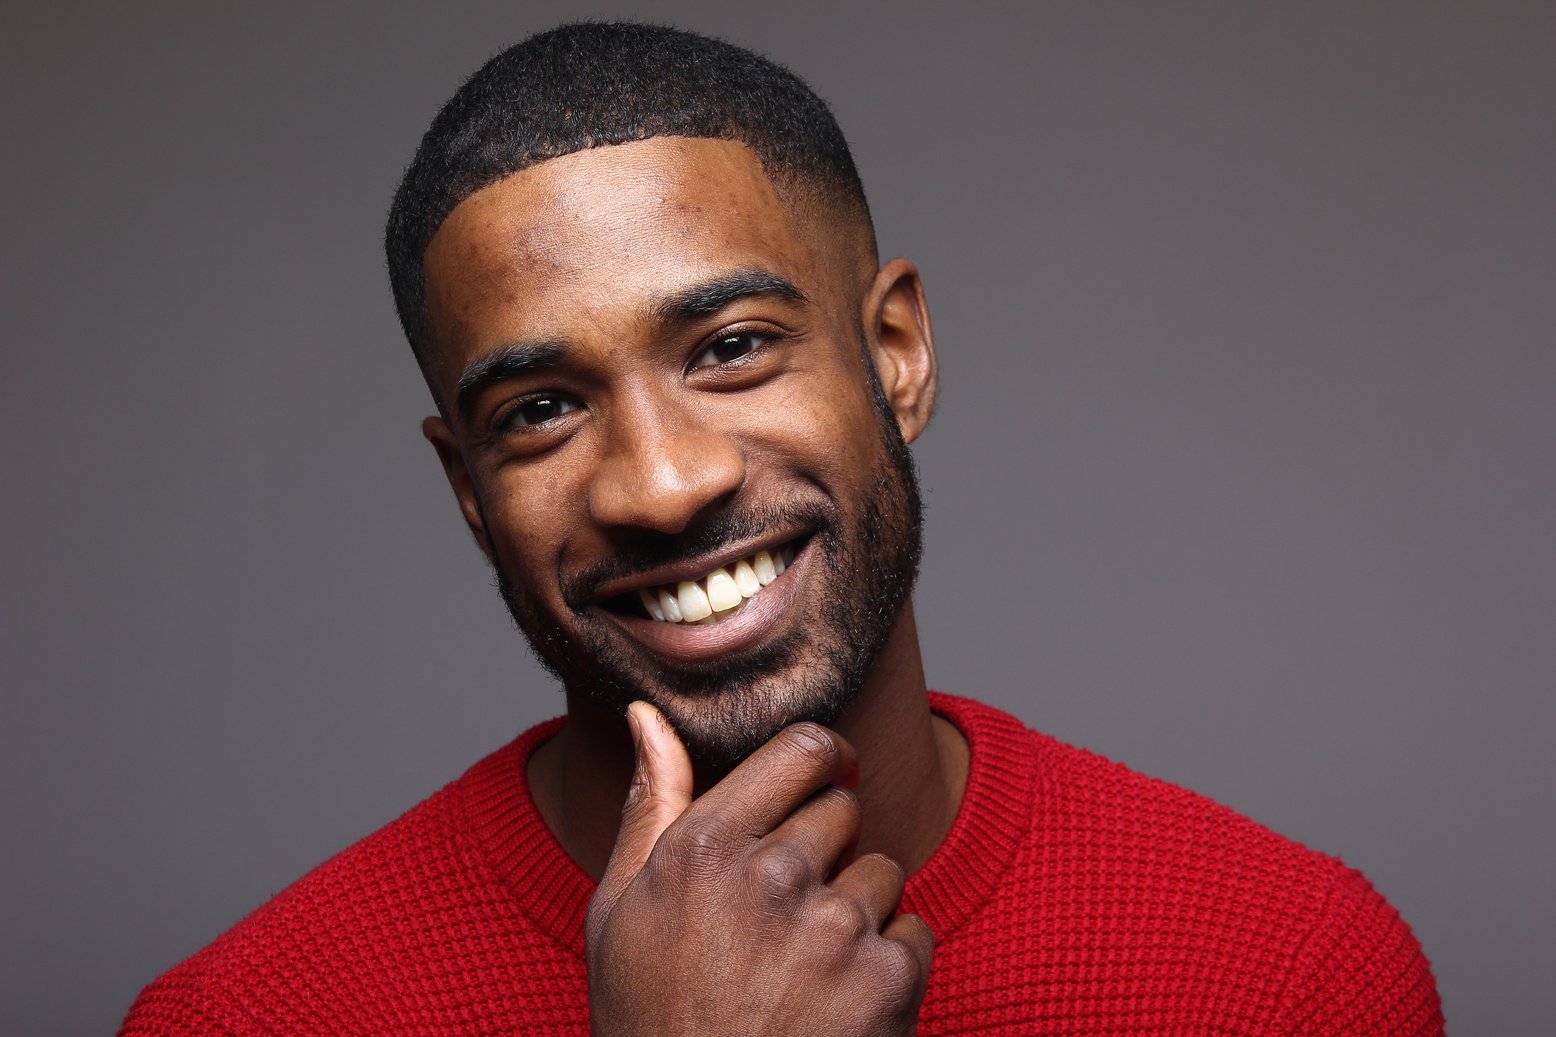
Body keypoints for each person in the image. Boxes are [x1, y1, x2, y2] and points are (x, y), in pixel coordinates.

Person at [120, 22, 1445, 1036]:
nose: (660, 481)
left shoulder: (1289, 971)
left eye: (733, 346)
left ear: (896, 353)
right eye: (539, 408)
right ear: (469, 489)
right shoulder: (245, 1017)